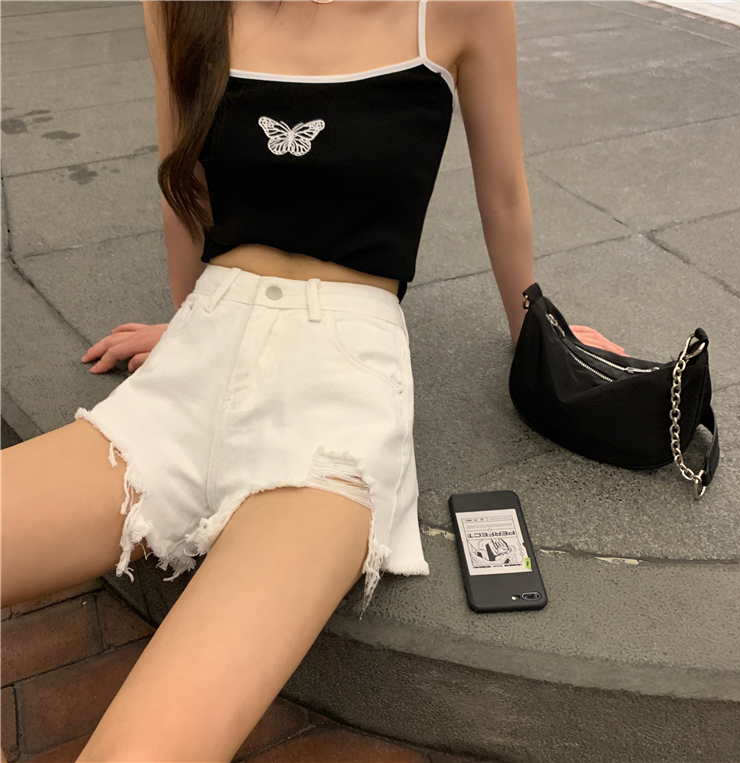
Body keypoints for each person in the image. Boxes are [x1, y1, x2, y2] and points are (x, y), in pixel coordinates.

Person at [0, 2, 627, 761]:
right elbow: (184, 187)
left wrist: (541, 335)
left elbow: (504, 194)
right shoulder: (181, 5)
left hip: (339, 398)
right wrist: (188, 322)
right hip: (199, 355)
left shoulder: (454, 9)